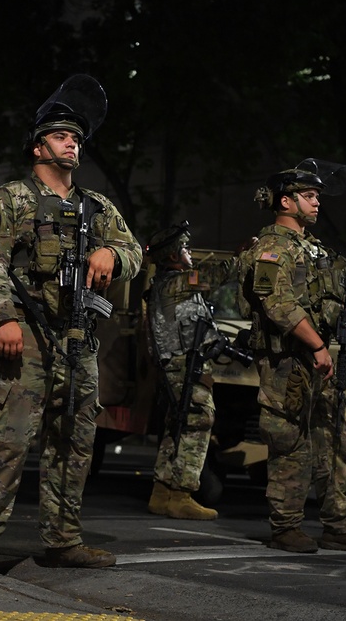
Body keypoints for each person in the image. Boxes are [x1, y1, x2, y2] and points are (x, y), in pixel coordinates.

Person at [0, 75, 142, 572]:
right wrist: (0, 322)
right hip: (27, 334)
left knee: (74, 443)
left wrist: (111, 254)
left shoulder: (97, 208)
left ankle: (63, 539)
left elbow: (134, 251)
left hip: (79, 339)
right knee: (5, 437)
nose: (72, 144)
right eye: (62, 137)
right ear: (39, 146)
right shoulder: (9, 199)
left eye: (76, 138)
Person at [240, 161, 346, 554]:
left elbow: (330, 290)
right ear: (285, 201)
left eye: (317, 195)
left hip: (316, 358)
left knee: (333, 437)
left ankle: (339, 524)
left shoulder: (313, 247)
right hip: (287, 359)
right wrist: (318, 347)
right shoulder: (271, 249)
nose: (317, 202)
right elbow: (277, 304)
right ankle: (285, 526)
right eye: (309, 196)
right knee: (290, 442)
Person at [144, 221, 223, 521]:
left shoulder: (168, 285)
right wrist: (244, 256)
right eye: (185, 248)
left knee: (176, 425)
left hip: (178, 366)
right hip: (184, 366)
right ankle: (181, 494)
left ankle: (162, 492)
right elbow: (215, 275)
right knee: (197, 421)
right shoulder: (175, 283)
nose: (190, 252)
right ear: (173, 256)